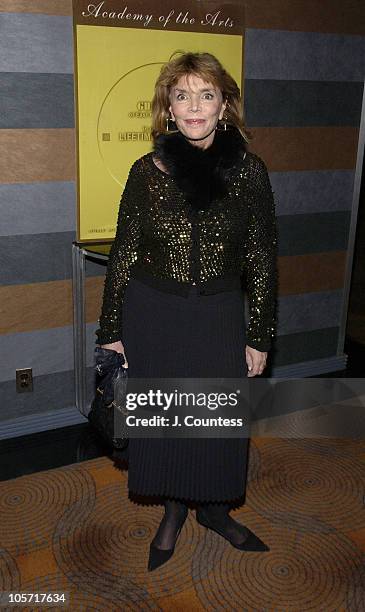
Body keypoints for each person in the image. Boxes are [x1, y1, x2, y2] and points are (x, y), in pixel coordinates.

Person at [96, 51, 278, 571]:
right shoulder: (145, 171)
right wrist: (112, 330)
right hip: (153, 315)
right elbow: (124, 252)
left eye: (206, 94)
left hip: (219, 314)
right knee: (168, 423)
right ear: (167, 109)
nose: (194, 106)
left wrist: (260, 334)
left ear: (224, 105)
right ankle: (173, 513)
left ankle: (216, 512)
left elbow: (262, 256)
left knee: (218, 423)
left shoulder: (248, 171)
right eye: (182, 95)